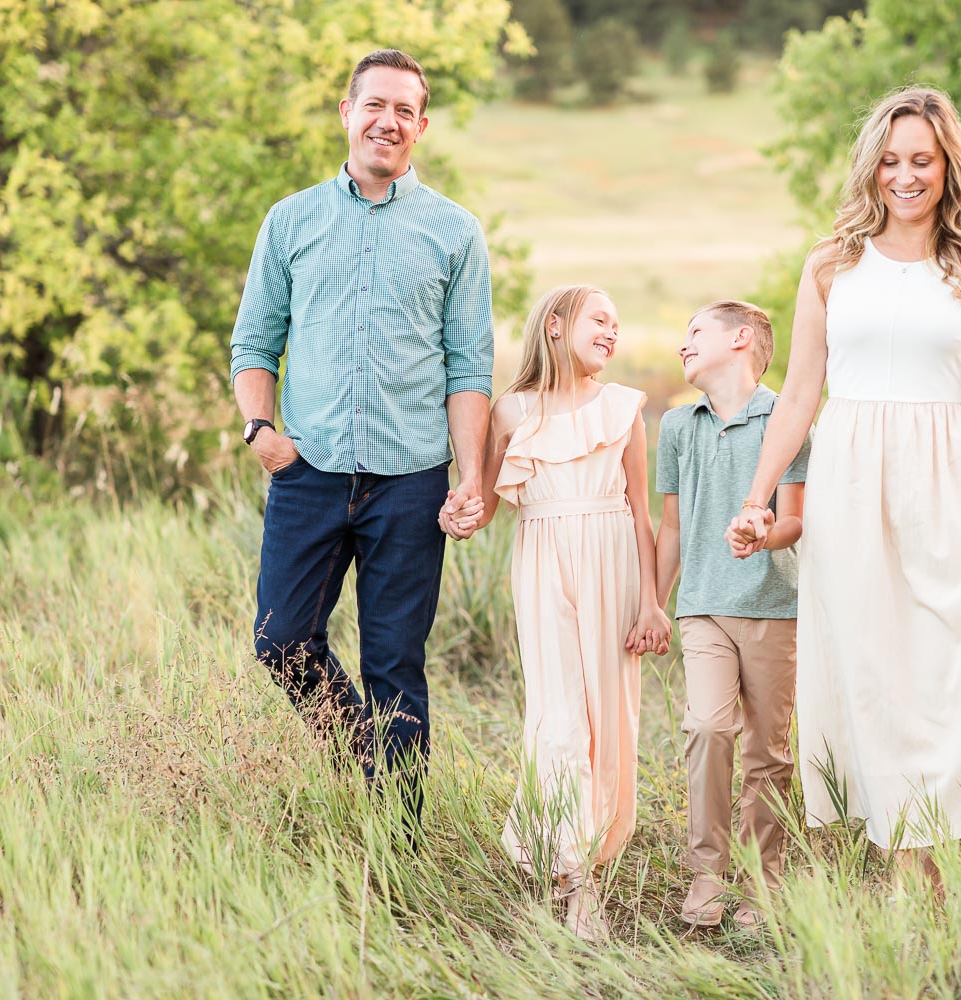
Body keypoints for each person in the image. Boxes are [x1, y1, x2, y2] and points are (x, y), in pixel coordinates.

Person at [730, 87, 961, 895]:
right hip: (849, 479)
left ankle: (945, 829)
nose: (904, 176)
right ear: (871, 168)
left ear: (948, 164)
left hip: (945, 479)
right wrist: (757, 499)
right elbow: (797, 397)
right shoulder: (831, 265)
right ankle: (906, 863)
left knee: (952, 659)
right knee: (872, 665)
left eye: (921, 159)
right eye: (890, 161)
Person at [228, 49, 494, 831]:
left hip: (411, 480)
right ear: (347, 112)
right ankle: (370, 762)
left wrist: (469, 478)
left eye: (406, 111)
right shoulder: (291, 220)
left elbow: (469, 368)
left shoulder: (455, 232)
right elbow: (253, 344)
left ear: (421, 126)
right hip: (307, 471)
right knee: (281, 640)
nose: (389, 121)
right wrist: (260, 430)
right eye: (376, 104)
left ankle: (400, 840)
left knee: (394, 666)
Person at [450, 285, 669, 940]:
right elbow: (484, 505)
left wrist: (652, 601)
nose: (612, 332)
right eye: (600, 319)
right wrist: (459, 513)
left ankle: (580, 853)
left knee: (610, 718)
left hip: (612, 558)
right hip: (543, 558)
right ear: (555, 324)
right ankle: (577, 881)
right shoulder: (511, 410)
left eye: (618, 324)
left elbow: (639, 510)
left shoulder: (624, 408)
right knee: (559, 713)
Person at [653, 300, 810, 928]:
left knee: (768, 751)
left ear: (742, 339)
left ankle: (762, 878)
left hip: (775, 606)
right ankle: (707, 873)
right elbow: (669, 525)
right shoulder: (675, 425)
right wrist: (652, 604)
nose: (682, 344)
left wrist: (764, 534)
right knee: (709, 728)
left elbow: (797, 518)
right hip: (703, 609)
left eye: (694, 332)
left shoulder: (788, 419)